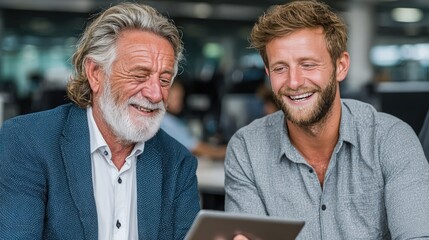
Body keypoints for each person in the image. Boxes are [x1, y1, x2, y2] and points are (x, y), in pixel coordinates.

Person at [224, 1, 429, 239]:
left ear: (340, 66)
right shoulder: (247, 149)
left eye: (308, 65)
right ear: (268, 74)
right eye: (280, 68)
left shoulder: (391, 140)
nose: (293, 82)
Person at [0, 3, 200, 240]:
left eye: (165, 80)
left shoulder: (178, 162)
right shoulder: (28, 140)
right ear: (95, 73)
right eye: (139, 75)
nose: (156, 94)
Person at [161, 79, 226, 160]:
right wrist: (226, 151)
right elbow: (196, 148)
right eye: (177, 98)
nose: (180, 102)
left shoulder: (172, 120)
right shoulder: (165, 122)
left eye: (181, 98)